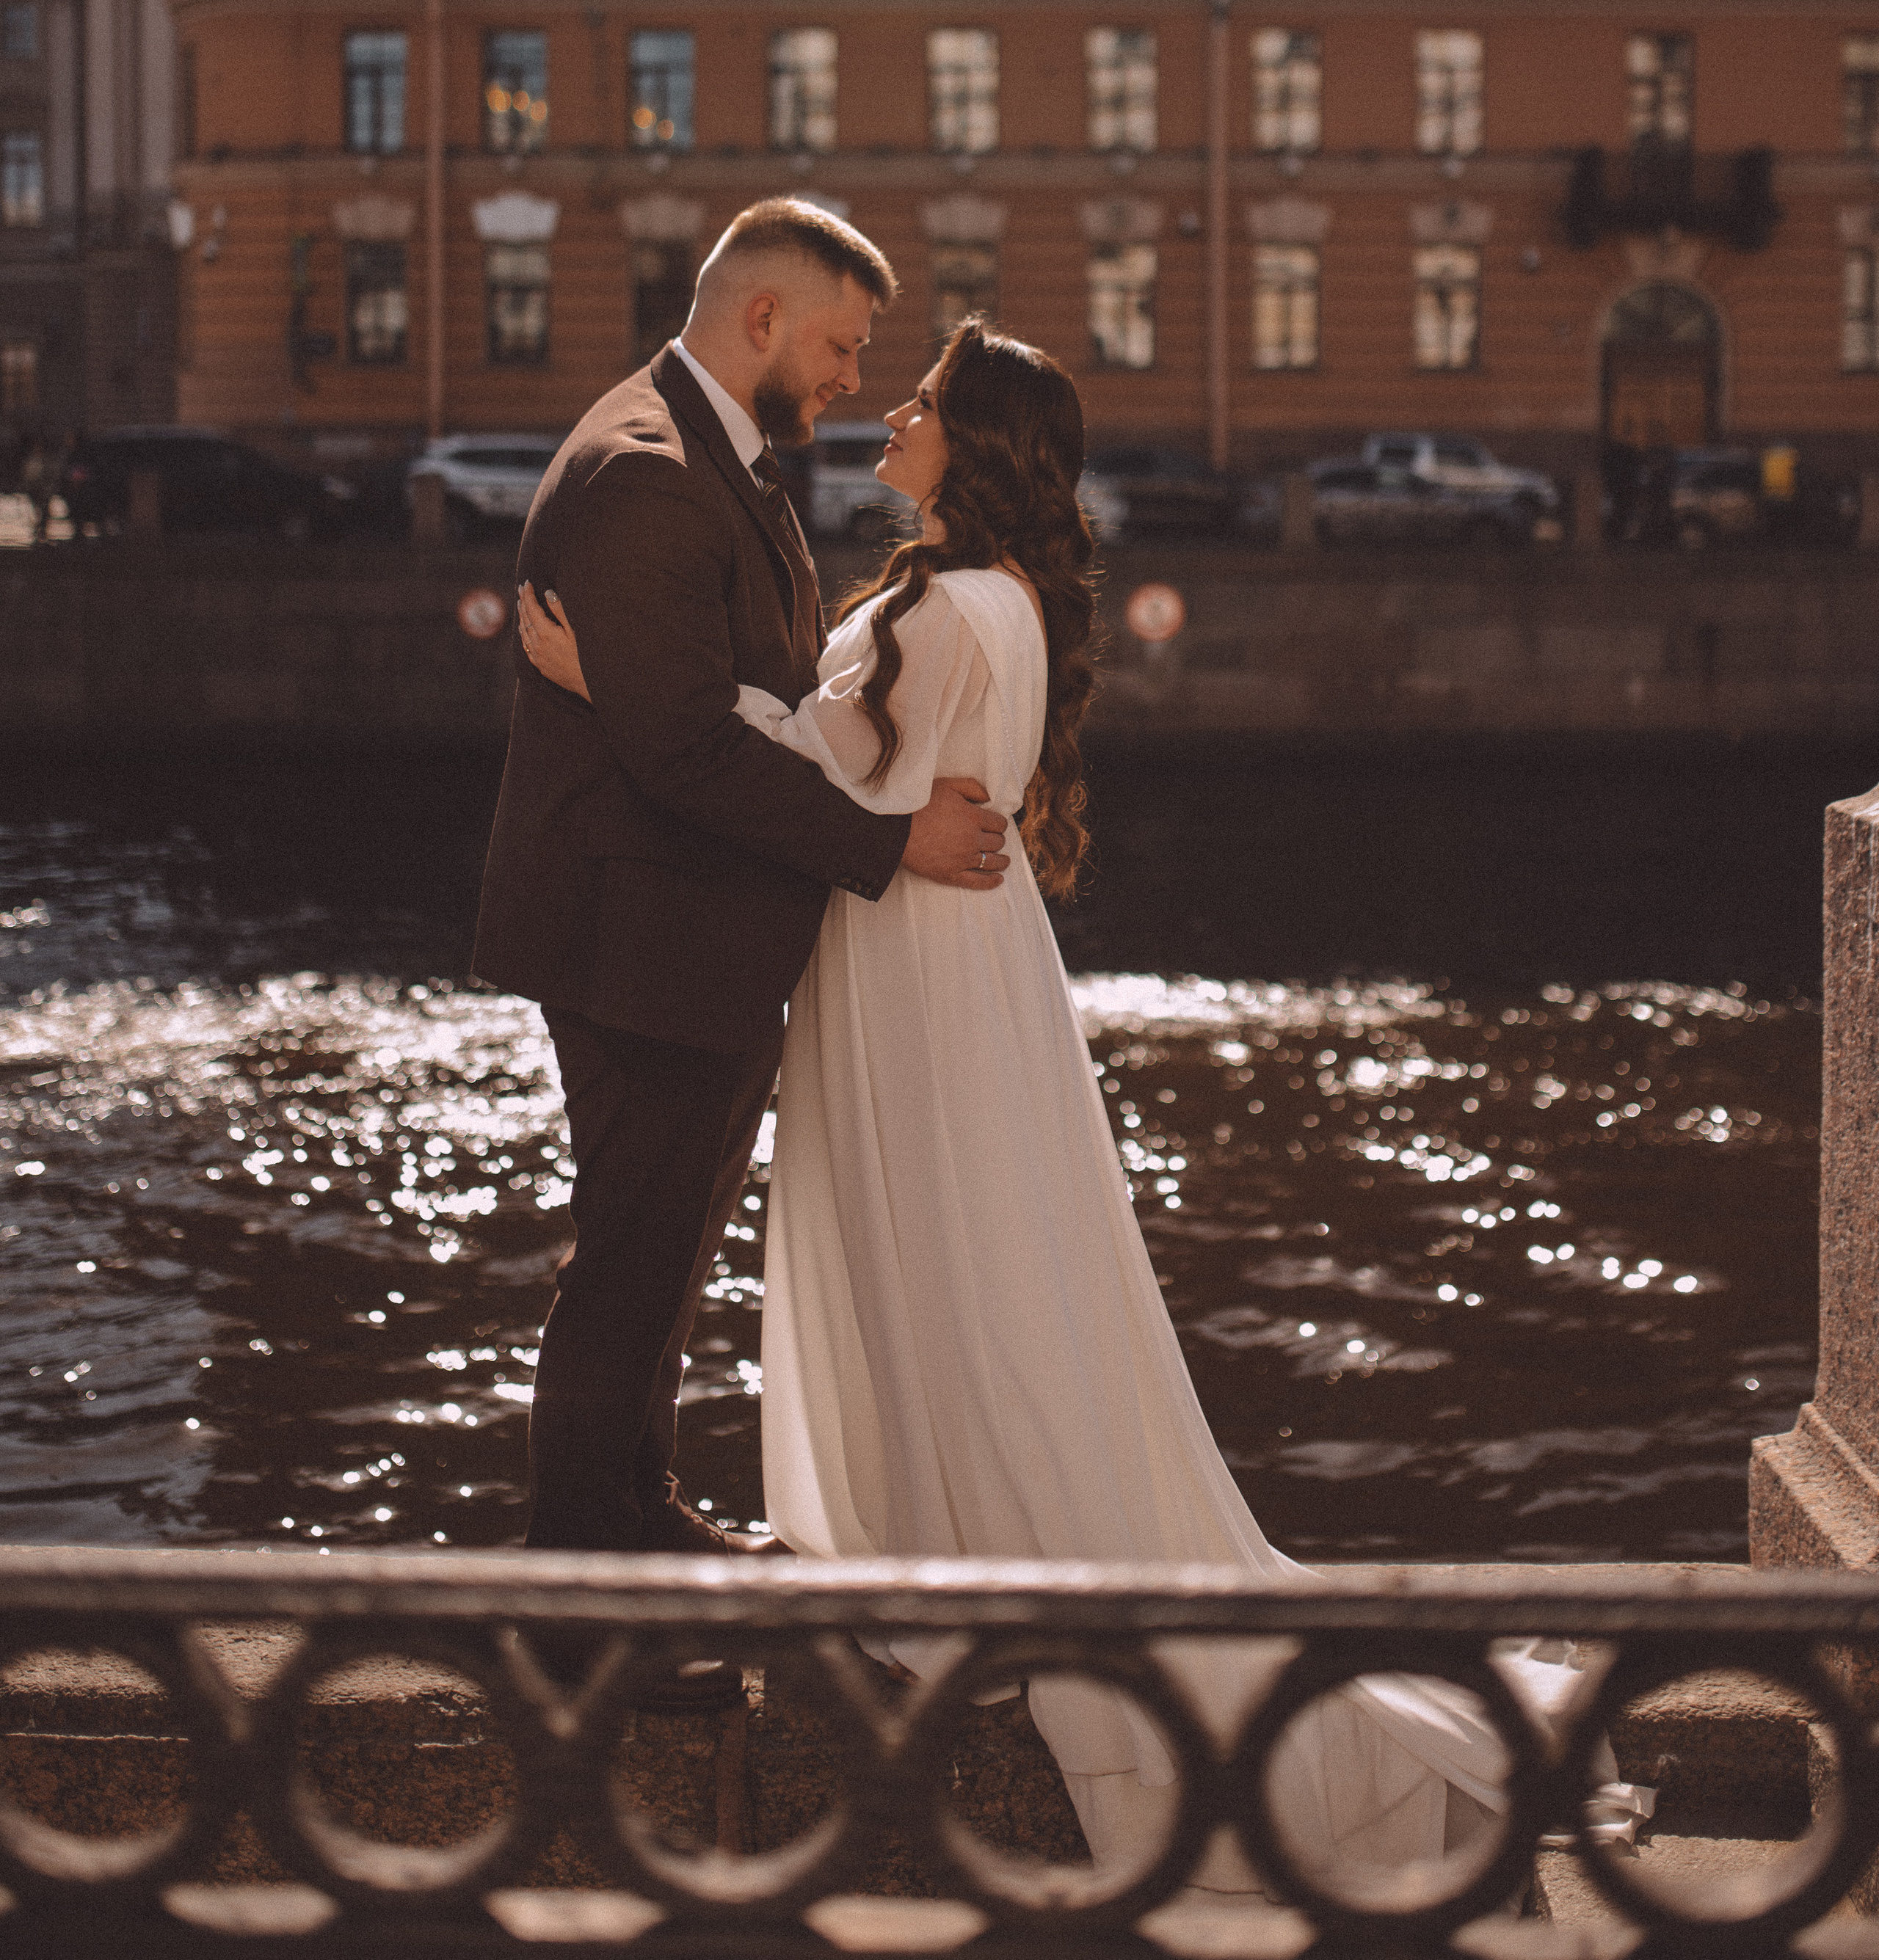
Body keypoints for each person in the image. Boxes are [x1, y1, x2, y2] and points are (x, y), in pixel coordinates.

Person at [518, 316, 1649, 1881]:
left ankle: (972, 1542)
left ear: (974, 445)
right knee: (987, 1254)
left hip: (911, 959)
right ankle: (968, 1525)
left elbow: (818, 769)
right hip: (947, 955)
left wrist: (611, 672)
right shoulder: (996, 598)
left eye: (921, 400)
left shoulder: (941, 609)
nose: (892, 412)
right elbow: (865, 771)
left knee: (947, 1250)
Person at [474, 200, 1010, 1702]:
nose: (854, 374)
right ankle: (580, 1614)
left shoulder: (713, 452)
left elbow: (731, 695)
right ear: (761, 319)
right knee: (628, 1261)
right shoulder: (650, 469)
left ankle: (635, 1522)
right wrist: (886, 841)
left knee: (656, 1256)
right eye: (842, 343)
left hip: (685, 930)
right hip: (640, 933)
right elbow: (681, 749)